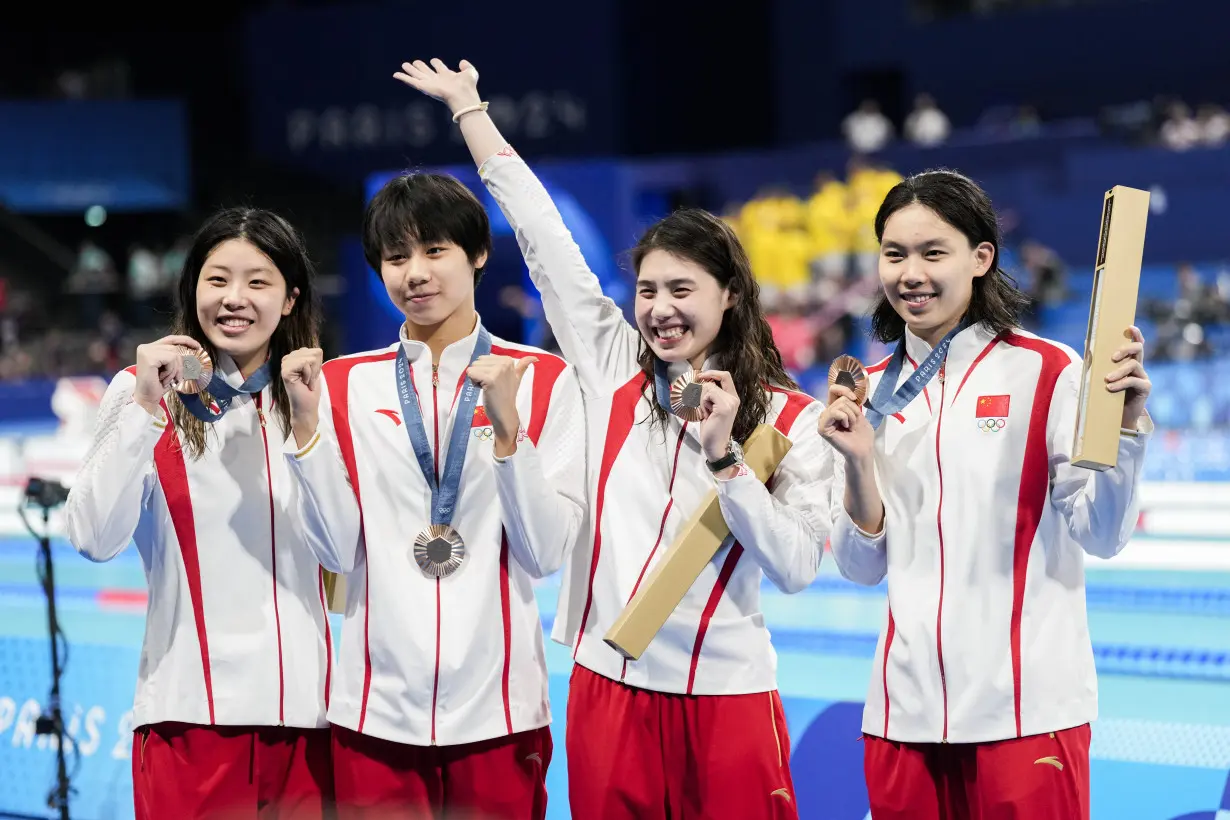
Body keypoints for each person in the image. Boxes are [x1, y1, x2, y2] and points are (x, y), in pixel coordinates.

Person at [395, 58, 834, 818]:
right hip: (608, 689)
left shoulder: (790, 421)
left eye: (683, 290)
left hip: (726, 696)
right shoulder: (606, 365)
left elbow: (796, 566)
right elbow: (543, 239)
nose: (661, 310)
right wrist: (472, 111)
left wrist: (728, 458)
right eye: (648, 290)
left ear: (729, 296)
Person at [818, 169, 1153, 820]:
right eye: (894, 254)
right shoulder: (868, 395)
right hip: (903, 720)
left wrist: (1127, 428)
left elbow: (1104, 534)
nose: (910, 272)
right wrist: (859, 465)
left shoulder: (1047, 371)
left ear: (981, 258)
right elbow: (860, 569)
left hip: (1026, 717)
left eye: (931, 252)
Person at [279, 142, 585, 819]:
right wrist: (305, 433)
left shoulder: (545, 380)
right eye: (395, 258)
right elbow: (335, 552)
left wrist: (510, 438)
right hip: (372, 712)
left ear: (477, 254)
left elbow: (546, 553)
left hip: (501, 712)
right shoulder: (339, 385)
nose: (415, 273)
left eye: (435, 251)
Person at [64, 208, 333, 819]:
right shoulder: (139, 391)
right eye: (217, 280)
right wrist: (144, 410)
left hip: (308, 722)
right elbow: (92, 538)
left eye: (258, 282)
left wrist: (312, 426)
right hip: (188, 720)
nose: (234, 298)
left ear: (290, 299)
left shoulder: (317, 398)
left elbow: (346, 549)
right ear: (192, 292)